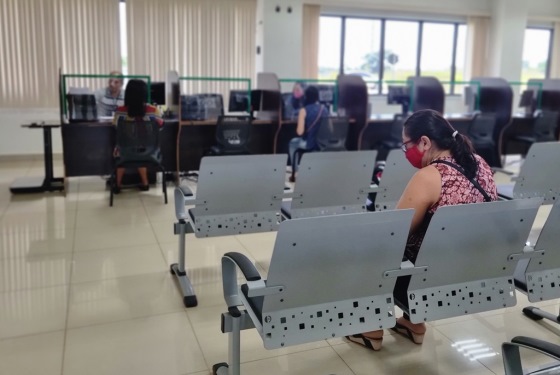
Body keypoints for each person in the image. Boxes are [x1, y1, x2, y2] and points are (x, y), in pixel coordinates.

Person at [347, 109, 498, 351]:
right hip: (472, 276)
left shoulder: (430, 176)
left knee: (373, 245)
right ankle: (413, 324)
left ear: (425, 142)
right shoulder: (480, 164)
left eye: (406, 145)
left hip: (426, 284)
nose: (406, 152)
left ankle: (371, 329)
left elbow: (393, 236)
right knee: (432, 247)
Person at [112, 79, 163, 194]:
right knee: (140, 147)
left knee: (123, 148)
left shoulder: (120, 111)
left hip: (124, 151)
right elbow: (161, 125)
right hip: (149, 152)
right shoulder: (153, 110)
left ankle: (117, 185)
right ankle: (145, 183)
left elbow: (115, 126)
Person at [288, 86, 328, 182]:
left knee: (293, 143)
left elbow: (300, 132)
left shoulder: (304, 110)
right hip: (322, 144)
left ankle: (295, 172)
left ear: (305, 97)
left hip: (310, 144)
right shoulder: (324, 109)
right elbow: (329, 129)